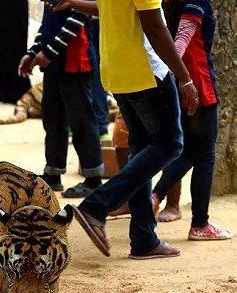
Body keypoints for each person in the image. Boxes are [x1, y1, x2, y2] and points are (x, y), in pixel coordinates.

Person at [51, 0, 199, 259]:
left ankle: (144, 239)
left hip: (117, 72)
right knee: (170, 144)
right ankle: (96, 206)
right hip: (146, 72)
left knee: (142, 150)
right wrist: (184, 77)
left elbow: (104, 8)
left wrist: (73, 3)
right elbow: (154, 27)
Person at [152, 0, 232, 240]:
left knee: (188, 152)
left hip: (182, 82)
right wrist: (182, 77)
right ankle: (199, 224)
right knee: (205, 154)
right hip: (197, 82)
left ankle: (155, 195)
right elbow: (182, 41)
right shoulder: (195, 2)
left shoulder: (168, 2)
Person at [18, 7, 104, 198]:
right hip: (54, 64)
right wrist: (34, 52)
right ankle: (53, 174)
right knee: (53, 119)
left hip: (75, 62)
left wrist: (48, 53)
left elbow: (78, 18)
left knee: (81, 121)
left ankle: (93, 178)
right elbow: (47, 24)